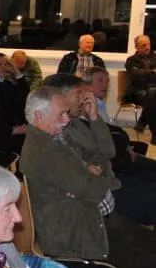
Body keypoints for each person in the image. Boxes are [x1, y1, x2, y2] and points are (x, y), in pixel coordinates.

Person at [20, 87, 156, 268]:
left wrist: (90, 172)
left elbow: (96, 154)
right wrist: (89, 175)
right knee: (141, 259)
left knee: (146, 243)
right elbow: (95, 191)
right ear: (39, 116)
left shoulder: (54, 137)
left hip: (86, 212)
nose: (67, 120)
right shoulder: (47, 150)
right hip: (74, 226)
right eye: (61, 114)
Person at [44, 74, 156, 226]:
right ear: (60, 98)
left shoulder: (75, 122)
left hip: (112, 182)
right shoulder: (59, 131)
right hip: (104, 194)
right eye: (78, 94)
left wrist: (95, 117)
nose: (83, 99)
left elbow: (109, 151)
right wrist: (99, 162)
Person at [124, 34, 156, 137]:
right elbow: (135, 75)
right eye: (143, 45)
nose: (147, 47)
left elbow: (141, 73)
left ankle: (141, 123)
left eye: (148, 44)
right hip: (137, 92)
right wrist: (152, 72)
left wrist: (146, 73)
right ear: (136, 47)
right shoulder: (131, 60)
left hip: (152, 91)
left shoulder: (154, 58)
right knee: (153, 96)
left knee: (153, 95)